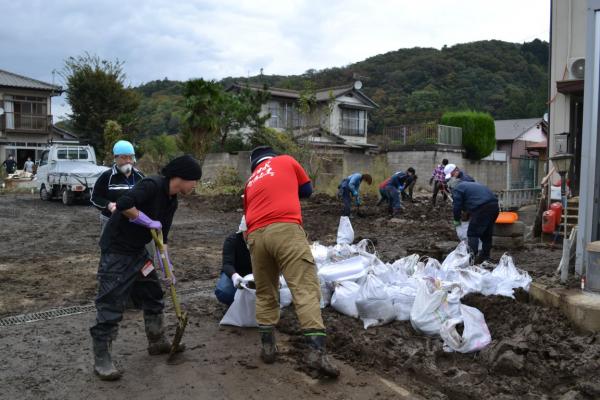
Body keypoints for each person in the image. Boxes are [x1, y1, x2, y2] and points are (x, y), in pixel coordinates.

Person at [89, 154, 202, 381]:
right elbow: (124, 204)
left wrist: (165, 264)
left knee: (153, 293)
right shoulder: (152, 185)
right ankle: (102, 360)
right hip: (117, 251)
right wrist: (146, 220)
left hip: (139, 253)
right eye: (194, 181)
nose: (195, 185)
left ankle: (157, 340)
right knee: (111, 303)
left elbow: (163, 237)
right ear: (181, 178)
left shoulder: (172, 200)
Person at [243, 145, 339, 378]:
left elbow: (246, 220)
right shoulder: (285, 160)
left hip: (255, 236)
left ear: (255, 165)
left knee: (266, 292)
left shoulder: (249, 182)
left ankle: (267, 348)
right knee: (305, 288)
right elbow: (306, 190)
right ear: (272, 156)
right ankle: (316, 352)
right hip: (285, 228)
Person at [91, 140, 145, 233]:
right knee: (110, 246)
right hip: (110, 221)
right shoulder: (106, 176)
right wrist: (109, 205)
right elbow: (95, 198)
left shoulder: (140, 177)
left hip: (135, 221)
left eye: (131, 157)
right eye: (123, 158)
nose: (128, 161)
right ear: (115, 158)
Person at [448, 179, 499, 264]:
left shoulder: (457, 188)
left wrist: (456, 219)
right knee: (486, 235)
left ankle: (471, 257)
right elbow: (472, 201)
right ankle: (485, 258)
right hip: (494, 206)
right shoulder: (470, 185)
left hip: (482, 208)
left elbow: (457, 206)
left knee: (472, 233)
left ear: (452, 187)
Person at [214, 217, 252, 306]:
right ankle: (235, 304)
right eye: (248, 232)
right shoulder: (232, 241)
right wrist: (234, 276)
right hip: (235, 274)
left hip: (256, 276)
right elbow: (227, 264)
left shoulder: (263, 241)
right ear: (242, 230)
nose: (250, 235)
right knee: (224, 292)